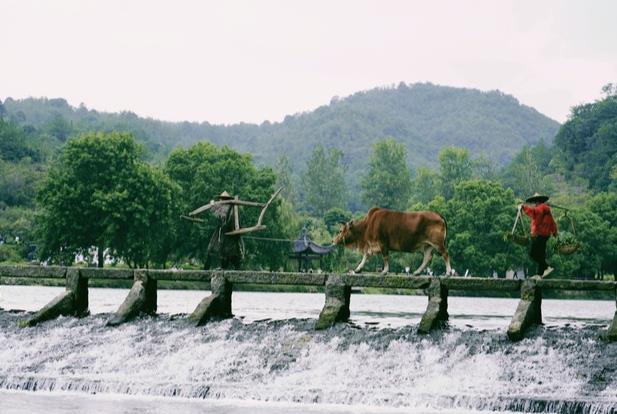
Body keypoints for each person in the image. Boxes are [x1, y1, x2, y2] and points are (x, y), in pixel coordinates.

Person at [518, 192, 558, 277]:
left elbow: (534, 213)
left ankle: (547, 266)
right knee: (541, 254)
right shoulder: (546, 209)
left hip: (540, 234)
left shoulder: (541, 208)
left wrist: (524, 207)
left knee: (533, 253)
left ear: (538, 201)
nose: (534, 204)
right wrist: (554, 232)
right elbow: (552, 222)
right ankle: (540, 274)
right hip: (546, 234)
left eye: (535, 202)